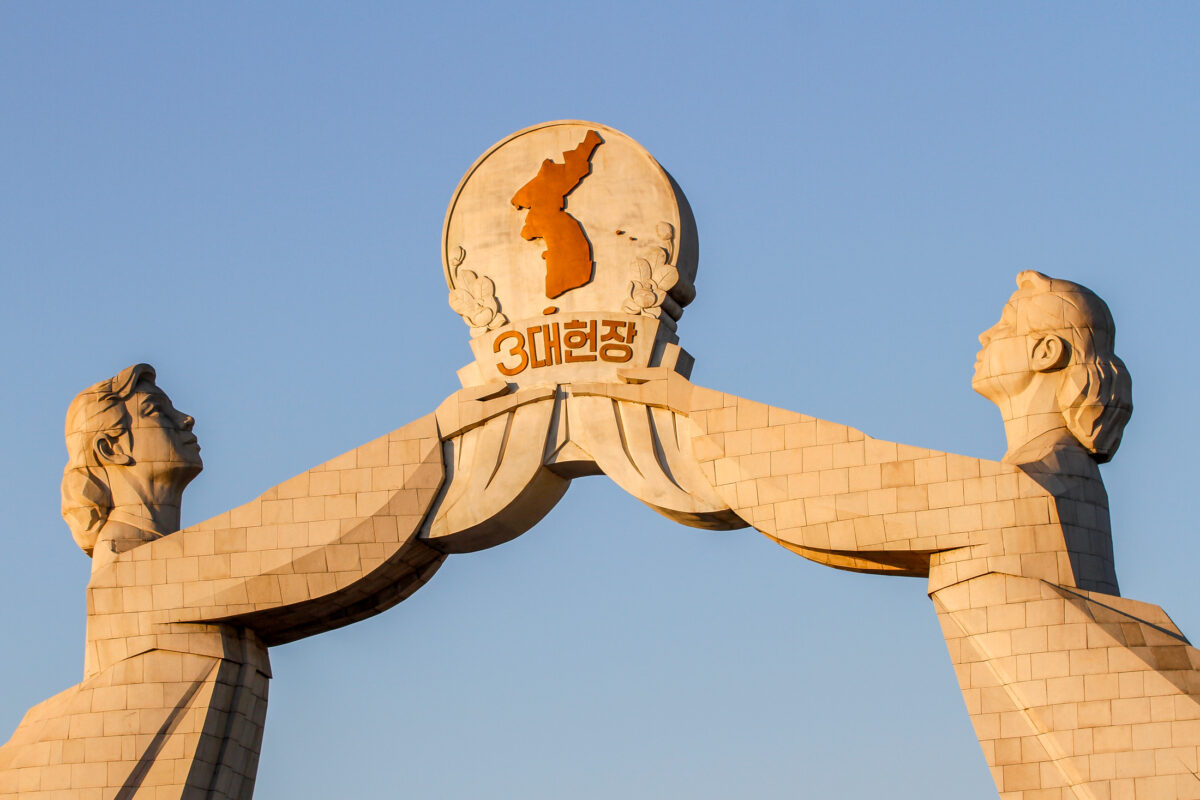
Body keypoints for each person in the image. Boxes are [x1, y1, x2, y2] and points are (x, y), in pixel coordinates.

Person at [575, 271, 1200, 798]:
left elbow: (841, 489)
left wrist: (691, 411)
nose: (985, 335)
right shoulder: (1050, 482)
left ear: (1045, 353)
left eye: (1006, 325)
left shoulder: (1030, 494)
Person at [0, 364, 448, 799]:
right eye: (157, 411)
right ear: (111, 448)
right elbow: (322, 534)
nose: (187, 419)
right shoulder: (130, 578)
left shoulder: (154, 574)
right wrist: (443, 438)